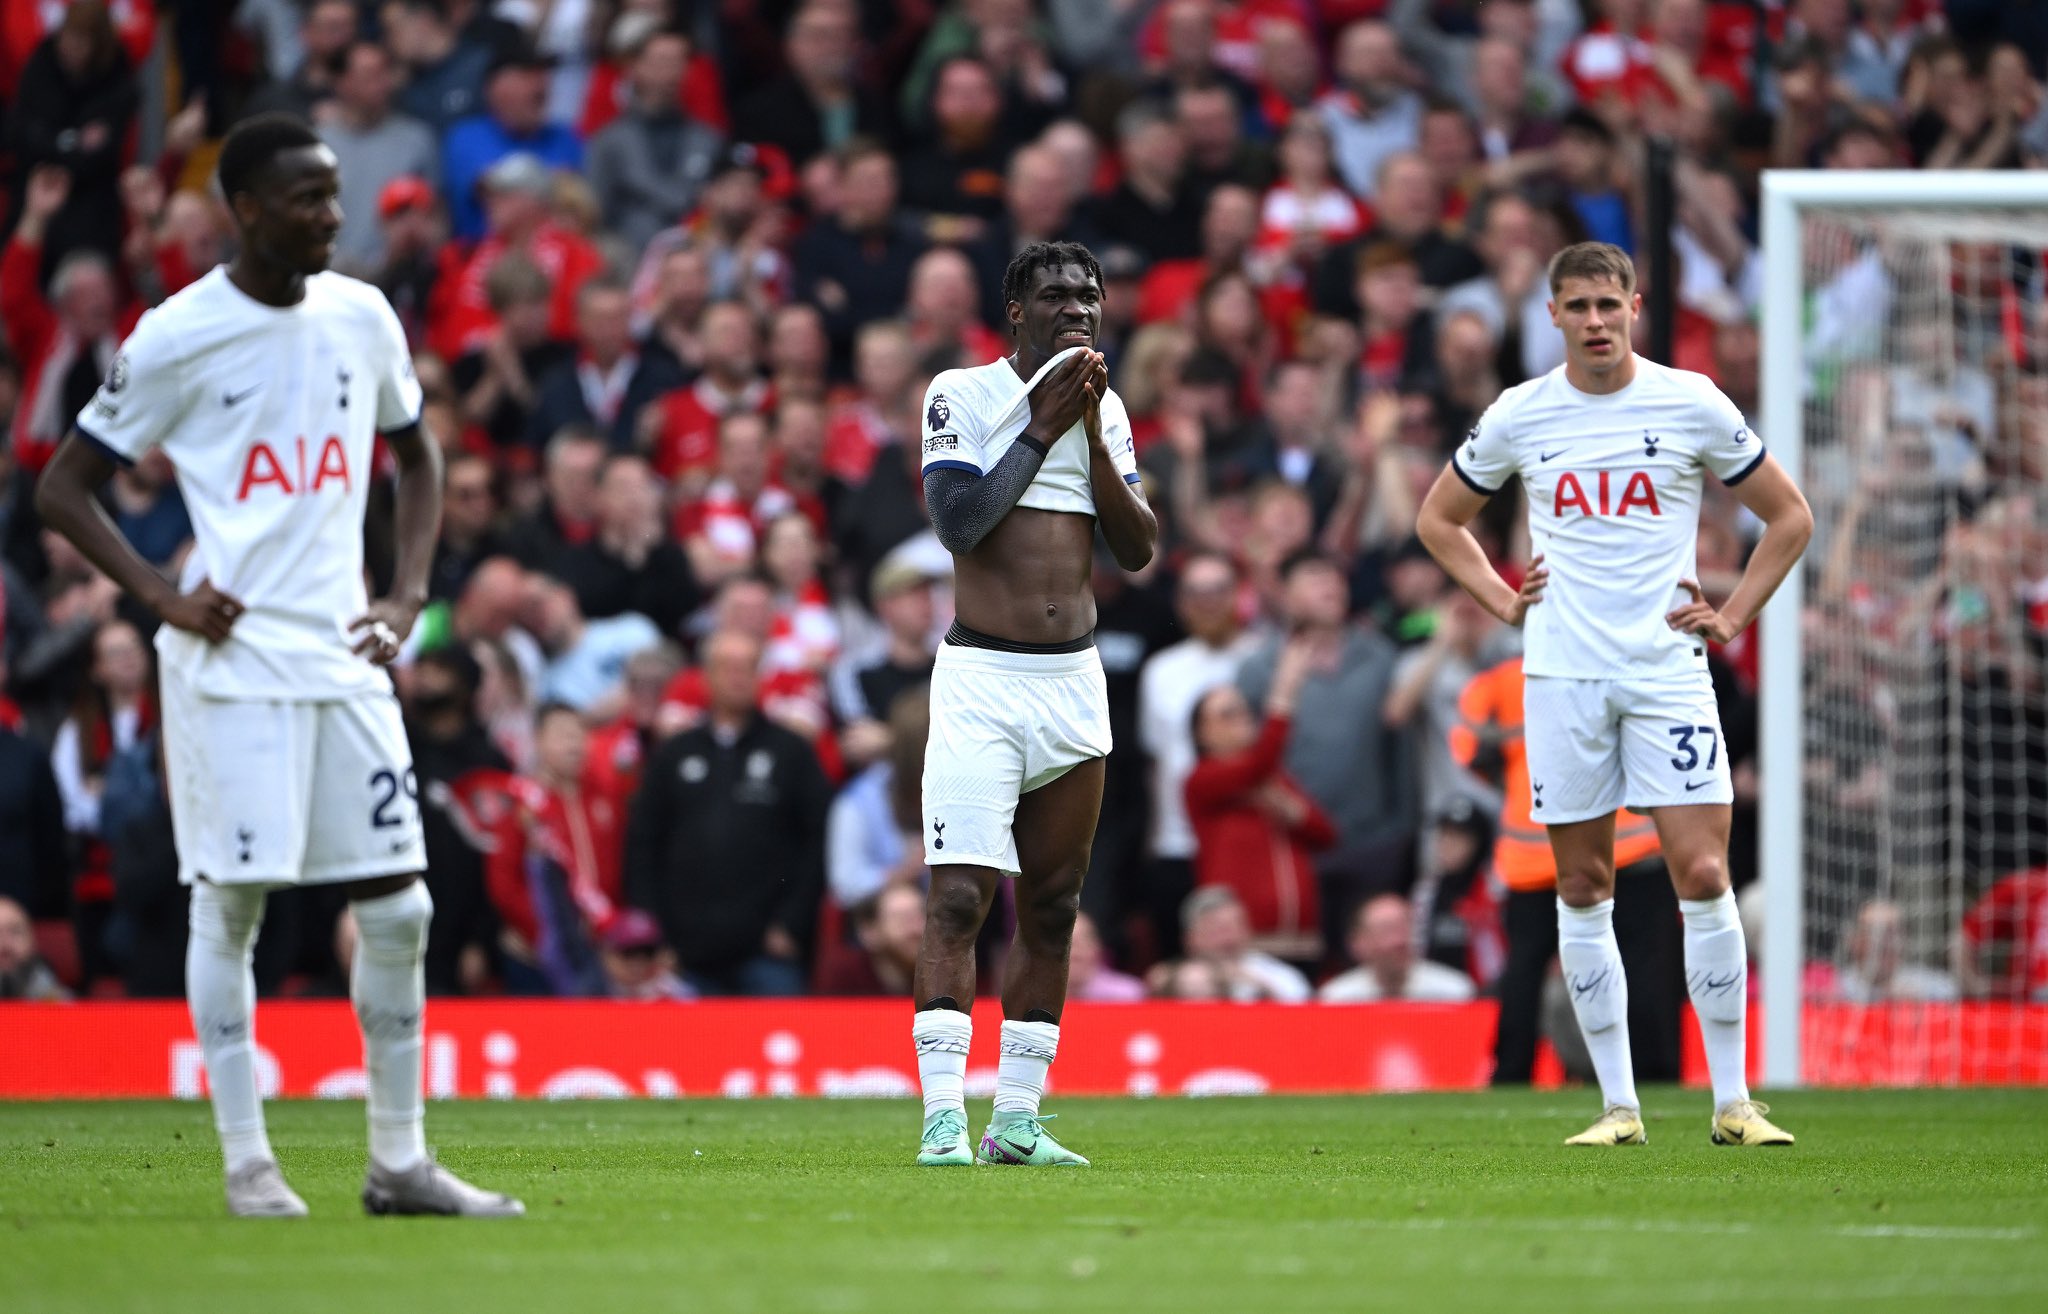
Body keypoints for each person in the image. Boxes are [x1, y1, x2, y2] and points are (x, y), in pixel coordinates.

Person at [34, 114, 523, 1217]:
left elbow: (415, 449)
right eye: (308, 199)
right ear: (244, 209)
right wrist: (161, 594)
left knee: (400, 910)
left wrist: (406, 592)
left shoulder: (362, 314)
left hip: (344, 653)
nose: (331, 217)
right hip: (233, 665)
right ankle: (249, 1165)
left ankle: (398, 1164)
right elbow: (62, 486)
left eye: (335, 195)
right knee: (236, 906)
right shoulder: (176, 334)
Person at [1415, 240, 1814, 1149]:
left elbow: (1791, 516)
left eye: (1609, 304)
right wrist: (1501, 602)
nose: (1595, 321)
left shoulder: (1691, 401)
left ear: (1635, 307)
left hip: (1668, 671)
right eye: (1578, 306)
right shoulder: (1520, 414)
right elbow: (1437, 520)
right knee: (1583, 883)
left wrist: (1737, 615)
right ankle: (1619, 1109)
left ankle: (1733, 1103)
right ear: (1551, 316)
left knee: (1705, 875)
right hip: (1561, 677)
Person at [909, 239, 1157, 1168]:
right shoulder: (960, 394)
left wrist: (1090, 434)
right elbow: (958, 524)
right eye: (1056, 295)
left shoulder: (1108, 410)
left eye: (1090, 296)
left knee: (1053, 907)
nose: (1078, 309)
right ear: (1016, 310)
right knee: (962, 898)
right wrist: (1043, 426)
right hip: (981, 681)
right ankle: (942, 1119)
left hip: (1072, 683)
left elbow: (1136, 548)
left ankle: (1016, 1121)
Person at [627, 630, 832, 997]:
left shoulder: (791, 752)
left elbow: (818, 842)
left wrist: (792, 924)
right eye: (727, 667)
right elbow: (643, 844)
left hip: (768, 952)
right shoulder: (674, 754)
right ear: (705, 676)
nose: (738, 677)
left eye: (748, 668)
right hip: (684, 953)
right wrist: (654, 933)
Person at [1184, 638, 1336, 965]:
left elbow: (1327, 835)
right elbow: (1259, 764)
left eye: (1243, 710)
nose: (1242, 718)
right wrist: (1284, 694)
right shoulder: (1202, 779)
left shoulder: (1271, 779)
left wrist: (1295, 814)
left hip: (1300, 942)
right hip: (1242, 949)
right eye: (1227, 714)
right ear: (1202, 733)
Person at [1317, 893, 1479, 1003]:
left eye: (1404, 927)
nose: (1399, 941)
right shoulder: (1337, 999)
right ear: (1358, 942)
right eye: (1387, 930)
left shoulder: (1454, 992)